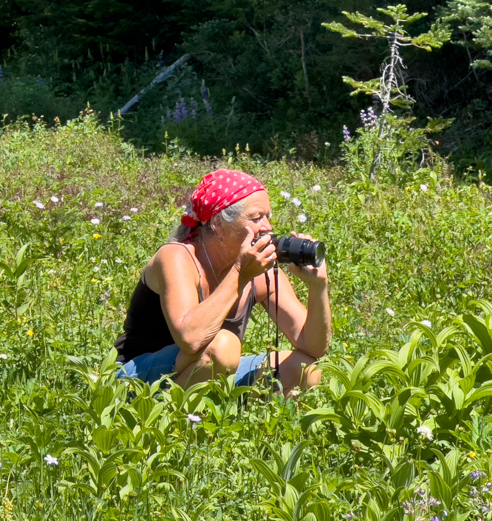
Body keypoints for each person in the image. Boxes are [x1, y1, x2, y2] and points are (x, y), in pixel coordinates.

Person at [115, 169, 330, 394]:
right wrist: (240, 273)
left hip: (207, 368)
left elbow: (313, 346)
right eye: (256, 218)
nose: (267, 227)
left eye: (268, 217)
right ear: (217, 223)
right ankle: (169, 422)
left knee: (306, 369)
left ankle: (242, 424)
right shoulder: (176, 257)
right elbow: (191, 340)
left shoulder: (262, 272)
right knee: (222, 346)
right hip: (137, 376)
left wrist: (317, 286)